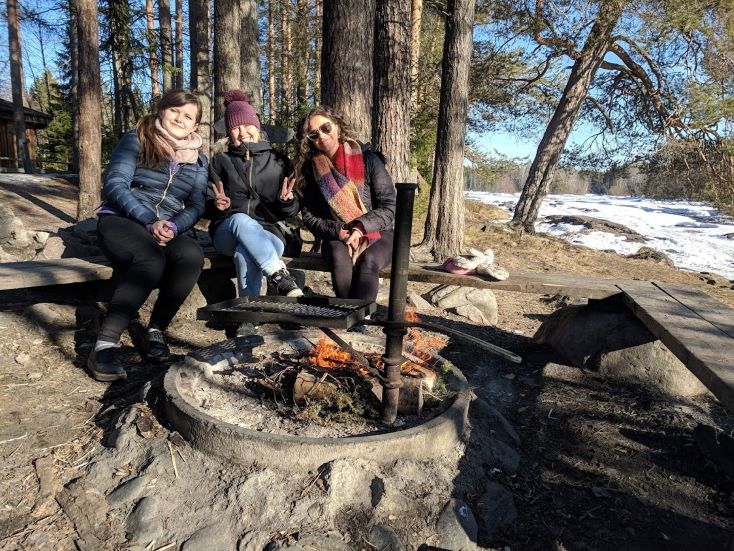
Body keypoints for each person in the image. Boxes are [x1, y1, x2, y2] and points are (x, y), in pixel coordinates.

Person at [88, 89, 209, 382]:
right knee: (150, 260)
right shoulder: (137, 139)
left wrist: (174, 227)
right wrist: (149, 221)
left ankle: (155, 330)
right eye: (175, 110)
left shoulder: (199, 160)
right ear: (161, 110)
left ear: (195, 125)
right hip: (123, 219)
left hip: (166, 225)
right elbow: (116, 185)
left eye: (188, 116)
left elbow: (196, 204)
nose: (180, 119)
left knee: (192, 255)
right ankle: (104, 345)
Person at [206, 90, 303, 336]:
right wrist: (217, 205)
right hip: (226, 230)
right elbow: (206, 200)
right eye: (236, 127)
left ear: (258, 128)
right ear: (229, 132)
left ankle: (250, 317)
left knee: (244, 253)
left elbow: (292, 210)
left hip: (269, 232)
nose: (244, 131)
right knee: (240, 220)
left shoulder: (279, 161)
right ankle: (279, 276)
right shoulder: (220, 161)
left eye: (249, 125)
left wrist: (287, 201)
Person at [293, 105, 396, 304]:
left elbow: (388, 205)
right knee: (338, 255)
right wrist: (340, 231)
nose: (322, 136)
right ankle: (348, 315)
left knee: (368, 260)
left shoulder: (370, 160)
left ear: (338, 126)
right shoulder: (310, 171)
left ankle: (361, 316)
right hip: (336, 235)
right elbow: (309, 217)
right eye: (313, 134)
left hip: (379, 232)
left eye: (326, 128)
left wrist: (359, 227)